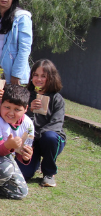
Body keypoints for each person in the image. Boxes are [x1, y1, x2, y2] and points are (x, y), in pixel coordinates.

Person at [19, 59, 66, 187]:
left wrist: (38, 136)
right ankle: (34, 164)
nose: (38, 79)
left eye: (43, 76)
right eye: (35, 75)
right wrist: (29, 110)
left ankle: (49, 173)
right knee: (24, 175)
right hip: (31, 140)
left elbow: (57, 123)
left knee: (49, 137)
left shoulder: (57, 99)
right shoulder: (25, 95)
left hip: (50, 140)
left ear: (51, 78)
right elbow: (18, 121)